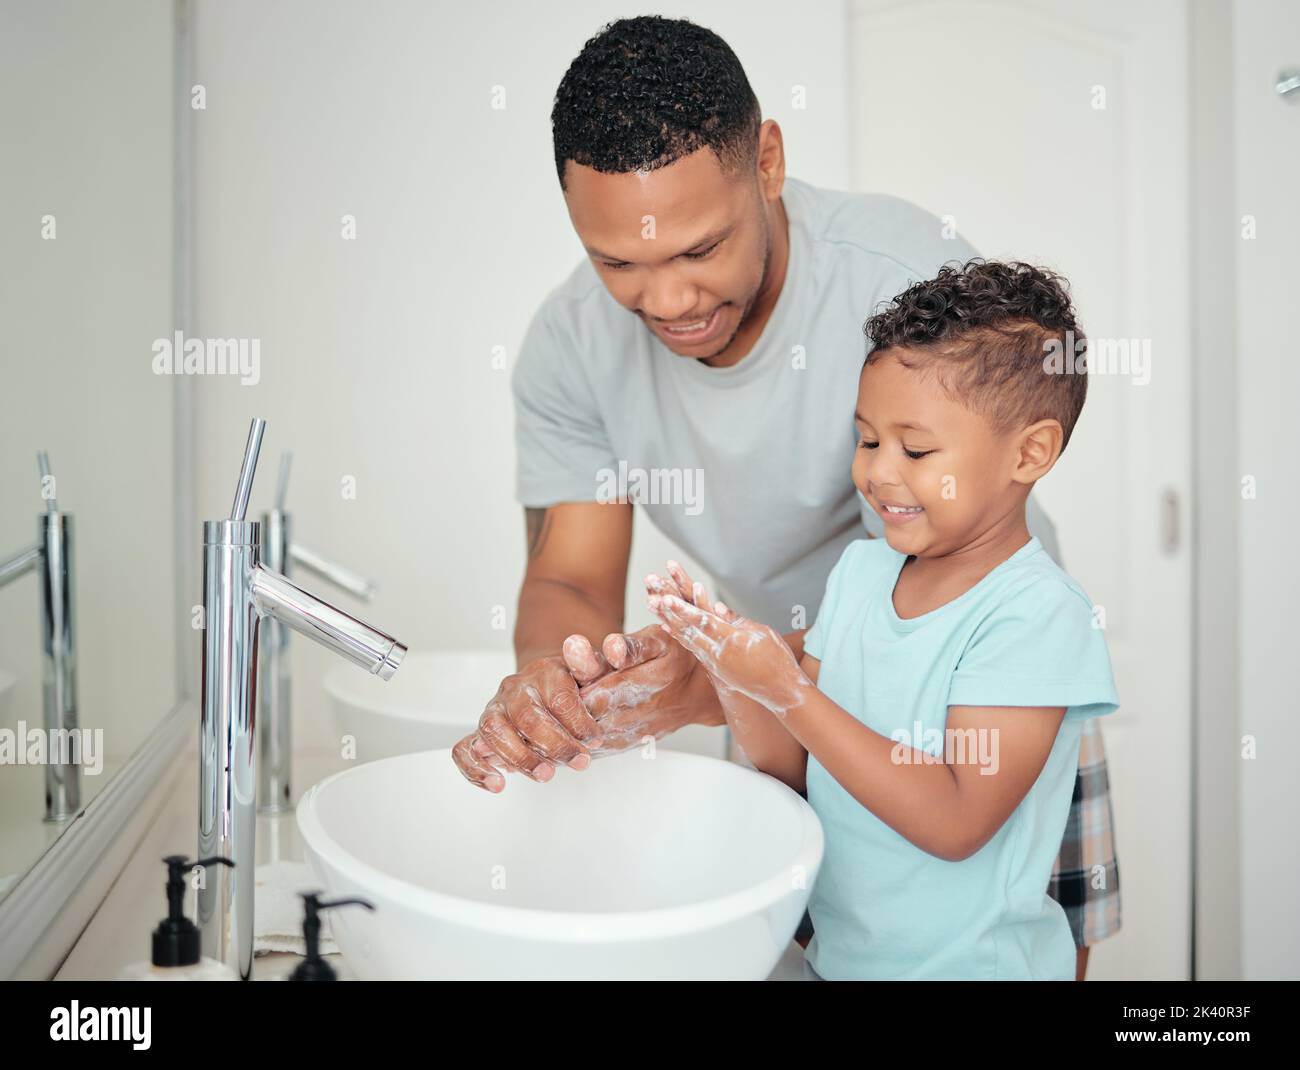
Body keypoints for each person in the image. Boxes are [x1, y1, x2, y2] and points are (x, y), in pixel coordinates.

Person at [452, 15, 1121, 977]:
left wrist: (729, 680)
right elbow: (569, 574)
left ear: (766, 159)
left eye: (701, 248)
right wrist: (560, 688)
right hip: (793, 685)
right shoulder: (570, 346)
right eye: (619, 265)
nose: (669, 302)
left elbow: (925, 602)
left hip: (980, 677)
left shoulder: (898, 285)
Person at [646, 260, 1119, 980]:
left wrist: (791, 690)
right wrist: (735, 672)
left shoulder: (1037, 616)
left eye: (917, 450)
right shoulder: (860, 575)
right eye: (867, 440)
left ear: (1031, 453)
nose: (879, 472)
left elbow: (958, 820)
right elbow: (795, 768)